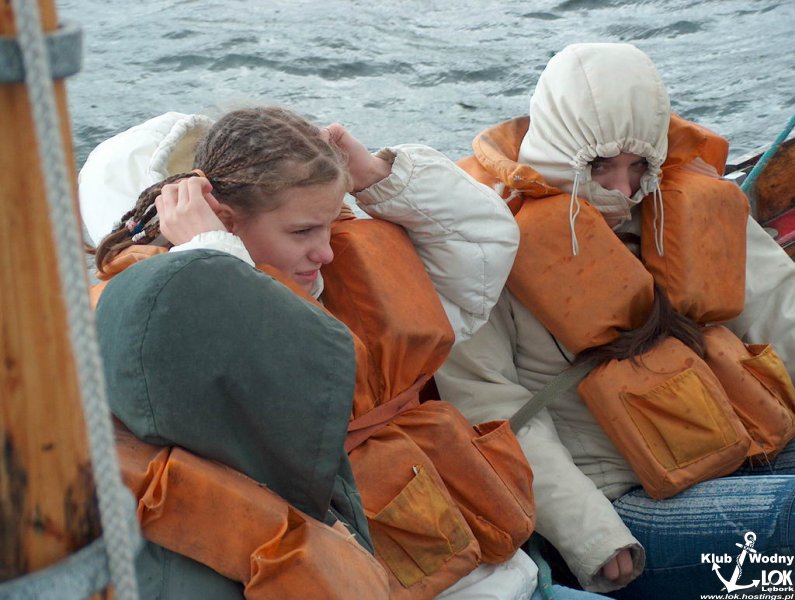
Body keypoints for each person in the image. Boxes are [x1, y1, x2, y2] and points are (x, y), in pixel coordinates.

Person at [87, 105, 605, 600]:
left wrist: (379, 176)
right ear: (224, 220)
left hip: (495, 571)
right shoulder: (164, 335)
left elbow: (482, 249)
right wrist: (214, 262)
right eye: (303, 231)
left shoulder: (336, 280)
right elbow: (267, 384)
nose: (327, 249)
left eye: (329, 223)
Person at [435, 42, 795, 599]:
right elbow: (489, 405)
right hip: (621, 500)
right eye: (600, 167)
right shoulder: (485, 245)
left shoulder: (682, 200)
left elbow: (779, 306)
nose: (623, 189)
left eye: (638, 165)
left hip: (731, 440)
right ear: (560, 152)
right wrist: (591, 537)